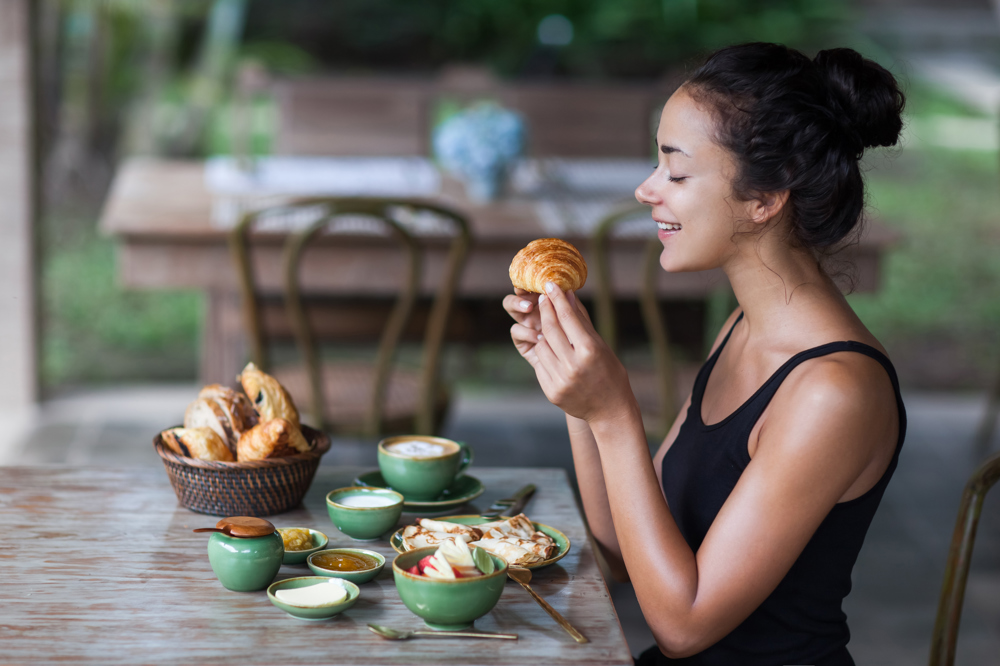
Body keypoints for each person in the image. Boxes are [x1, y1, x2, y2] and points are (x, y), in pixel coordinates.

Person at [503, 42, 906, 665]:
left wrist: (614, 415)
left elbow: (684, 626)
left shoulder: (835, 389)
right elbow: (619, 553)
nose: (645, 190)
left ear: (765, 198)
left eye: (677, 172)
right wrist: (576, 392)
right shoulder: (743, 328)